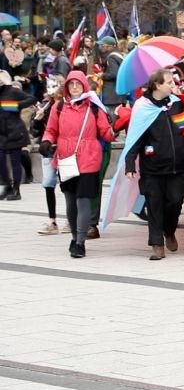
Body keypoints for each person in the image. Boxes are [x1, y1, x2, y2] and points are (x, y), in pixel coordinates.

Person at [40, 71, 114, 258]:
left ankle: (80, 242)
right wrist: (46, 141)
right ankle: (74, 237)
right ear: (66, 87)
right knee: (71, 201)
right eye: (71, 84)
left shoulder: (94, 107)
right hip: (66, 158)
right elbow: (51, 130)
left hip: (89, 158)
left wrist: (116, 123)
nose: (74, 87)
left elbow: (107, 133)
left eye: (78, 84)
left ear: (84, 86)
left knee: (83, 200)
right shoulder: (58, 107)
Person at [124, 69, 184, 260]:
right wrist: (130, 163)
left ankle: (169, 230)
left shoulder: (176, 103)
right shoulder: (142, 107)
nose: (173, 85)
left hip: (176, 165)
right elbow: (135, 136)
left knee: (175, 200)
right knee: (154, 204)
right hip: (152, 166)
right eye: (169, 82)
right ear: (157, 85)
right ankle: (157, 244)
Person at [34, 76, 66, 234]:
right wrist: (38, 120)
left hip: (64, 149)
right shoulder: (45, 105)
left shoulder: (66, 105)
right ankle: (52, 221)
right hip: (48, 150)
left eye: (55, 86)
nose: (52, 90)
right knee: (48, 184)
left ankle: (70, 220)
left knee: (67, 185)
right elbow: (36, 131)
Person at [0, 70, 38, 200]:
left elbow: (32, 99)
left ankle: (16, 190)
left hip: (15, 131)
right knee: (1, 161)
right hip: (1, 133)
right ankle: (7, 186)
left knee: (15, 161)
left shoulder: (13, 91)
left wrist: (14, 106)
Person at [98, 36, 125, 119]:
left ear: (109, 47)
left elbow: (114, 74)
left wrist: (102, 75)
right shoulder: (119, 55)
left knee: (112, 119)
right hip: (118, 95)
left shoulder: (111, 57)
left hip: (112, 96)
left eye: (103, 45)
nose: (101, 47)